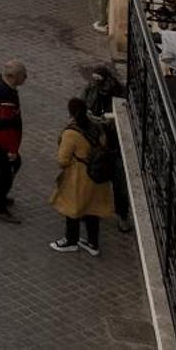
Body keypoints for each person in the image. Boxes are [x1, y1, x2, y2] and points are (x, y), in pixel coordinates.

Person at [49, 95, 116, 256]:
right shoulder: (96, 126)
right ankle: (93, 243)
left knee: (73, 209)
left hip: (79, 176)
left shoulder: (71, 133)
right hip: (98, 175)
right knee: (93, 211)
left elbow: (62, 160)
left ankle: (71, 241)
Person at [80, 64, 132, 235]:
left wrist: (113, 122)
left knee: (120, 184)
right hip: (97, 142)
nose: (95, 83)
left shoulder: (119, 92)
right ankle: (89, 208)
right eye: (93, 79)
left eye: (99, 80)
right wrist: (87, 116)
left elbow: (127, 118)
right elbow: (82, 105)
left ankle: (122, 215)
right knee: (91, 176)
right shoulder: (91, 90)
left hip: (117, 145)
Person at [0, 60, 27, 220]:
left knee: (7, 167)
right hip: (3, 141)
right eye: (23, 75)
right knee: (6, 173)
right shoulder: (7, 97)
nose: (26, 78)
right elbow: (8, 127)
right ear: (14, 77)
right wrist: (13, 151)